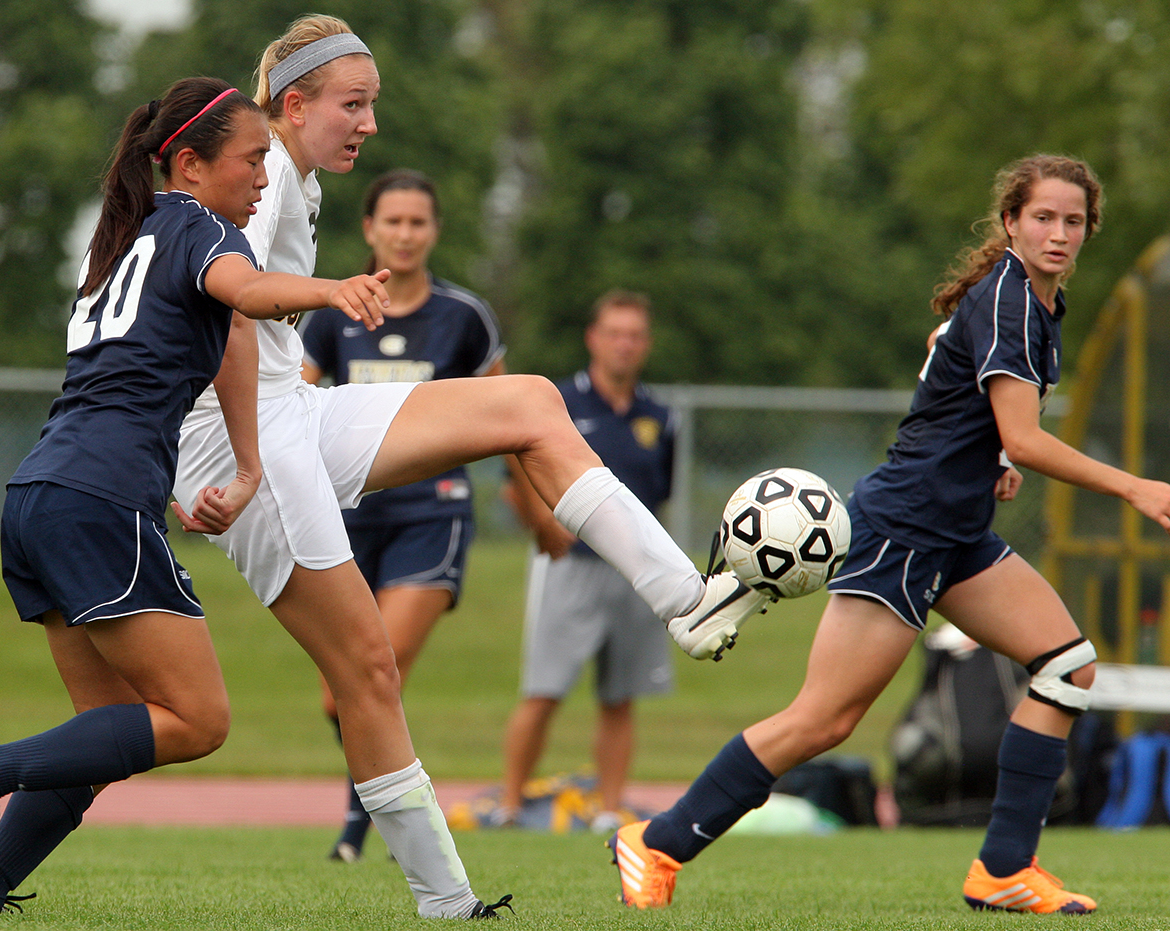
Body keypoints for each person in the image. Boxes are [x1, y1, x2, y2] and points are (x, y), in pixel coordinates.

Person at [169, 13, 767, 919]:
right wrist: (240, 466)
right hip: (245, 437)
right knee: (368, 670)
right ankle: (447, 899)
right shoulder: (267, 176)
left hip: (296, 411)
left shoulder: (290, 172)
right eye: (354, 104)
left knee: (528, 401)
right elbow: (226, 324)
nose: (370, 124)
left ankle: (686, 597)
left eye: (373, 105)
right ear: (295, 104)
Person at [609, 154, 1170, 914]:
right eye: (1043, 217)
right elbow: (1027, 434)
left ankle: (1003, 867)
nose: (1059, 233)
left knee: (1066, 666)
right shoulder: (1009, 297)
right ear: (1011, 222)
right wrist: (1132, 484)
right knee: (824, 719)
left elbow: (952, 369)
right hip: (905, 529)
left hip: (956, 531)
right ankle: (658, 841)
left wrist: (994, 454)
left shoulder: (1031, 302)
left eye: (1074, 221)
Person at [0, 76, 392, 914]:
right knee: (197, 719)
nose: (262, 177)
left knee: (99, 733)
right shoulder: (202, 225)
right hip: (102, 497)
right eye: (253, 158)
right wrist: (331, 290)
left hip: (38, 494)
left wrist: (246, 469)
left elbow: (228, 336)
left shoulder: (122, 237)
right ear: (188, 163)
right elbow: (249, 297)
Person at [298, 168, 507, 864]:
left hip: (433, 513)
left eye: (418, 222)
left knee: (377, 665)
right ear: (369, 229)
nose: (406, 233)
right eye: (393, 221)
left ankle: (364, 830)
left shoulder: (465, 318)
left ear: (435, 230)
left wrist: (541, 507)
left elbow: (509, 414)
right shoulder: (332, 315)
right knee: (338, 696)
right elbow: (289, 413)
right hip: (348, 516)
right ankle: (392, 811)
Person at [495, 291, 676, 834]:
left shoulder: (660, 417)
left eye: (635, 335)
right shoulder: (561, 403)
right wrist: (542, 527)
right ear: (593, 338)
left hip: (633, 572)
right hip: (571, 566)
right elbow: (516, 482)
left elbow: (658, 494)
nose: (625, 345)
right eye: (614, 333)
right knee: (544, 690)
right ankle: (507, 805)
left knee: (621, 696)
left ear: (645, 344)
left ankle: (610, 808)